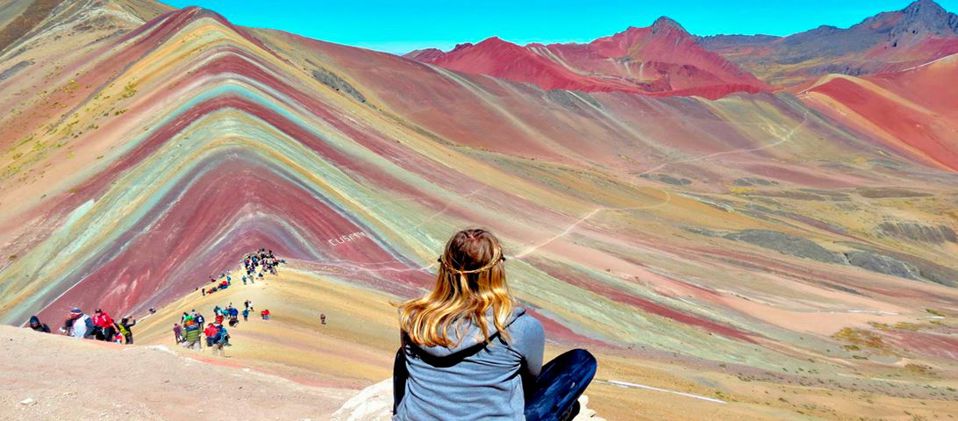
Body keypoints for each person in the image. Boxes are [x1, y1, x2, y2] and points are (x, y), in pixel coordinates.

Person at [392, 228, 596, 421]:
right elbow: (530, 379)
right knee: (581, 361)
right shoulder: (521, 328)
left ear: (444, 268)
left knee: (403, 357)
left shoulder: (414, 319)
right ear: (497, 271)